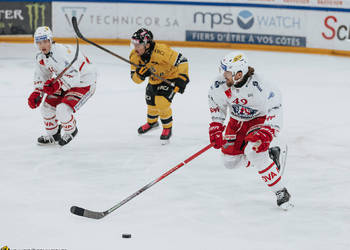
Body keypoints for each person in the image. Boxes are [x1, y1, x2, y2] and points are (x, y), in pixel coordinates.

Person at [208, 51, 293, 210]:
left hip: (259, 120)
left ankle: (280, 191)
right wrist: (216, 125)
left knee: (254, 152)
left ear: (238, 74)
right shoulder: (220, 84)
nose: (223, 75)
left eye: (227, 72)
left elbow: (275, 108)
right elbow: (216, 103)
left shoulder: (262, 85)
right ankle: (270, 154)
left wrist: (268, 131)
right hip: (236, 122)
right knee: (229, 162)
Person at [27, 26, 97, 146]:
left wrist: (57, 84)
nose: (42, 45)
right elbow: (42, 75)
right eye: (39, 42)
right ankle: (53, 135)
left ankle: (71, 131)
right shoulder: (41, 57)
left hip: (84, 82)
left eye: (45, 41)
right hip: (66, 81)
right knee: (46, 108)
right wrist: (38, 92)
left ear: (50, 40)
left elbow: (75, 75)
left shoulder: (61, 53)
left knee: (62, 110)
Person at [129, 28, 189, 144]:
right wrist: (140, 75)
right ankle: (152, 123)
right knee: (150, 102)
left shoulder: (162, 51)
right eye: (134, 44)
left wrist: (182, 78)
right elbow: (135, 79)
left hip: (170, 78)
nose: (135, 48)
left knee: (162, 103)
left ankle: (167, 127)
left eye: (138, 45)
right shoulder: (134, 56)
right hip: (154, 80)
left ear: (147, 44)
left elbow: (182, 60)